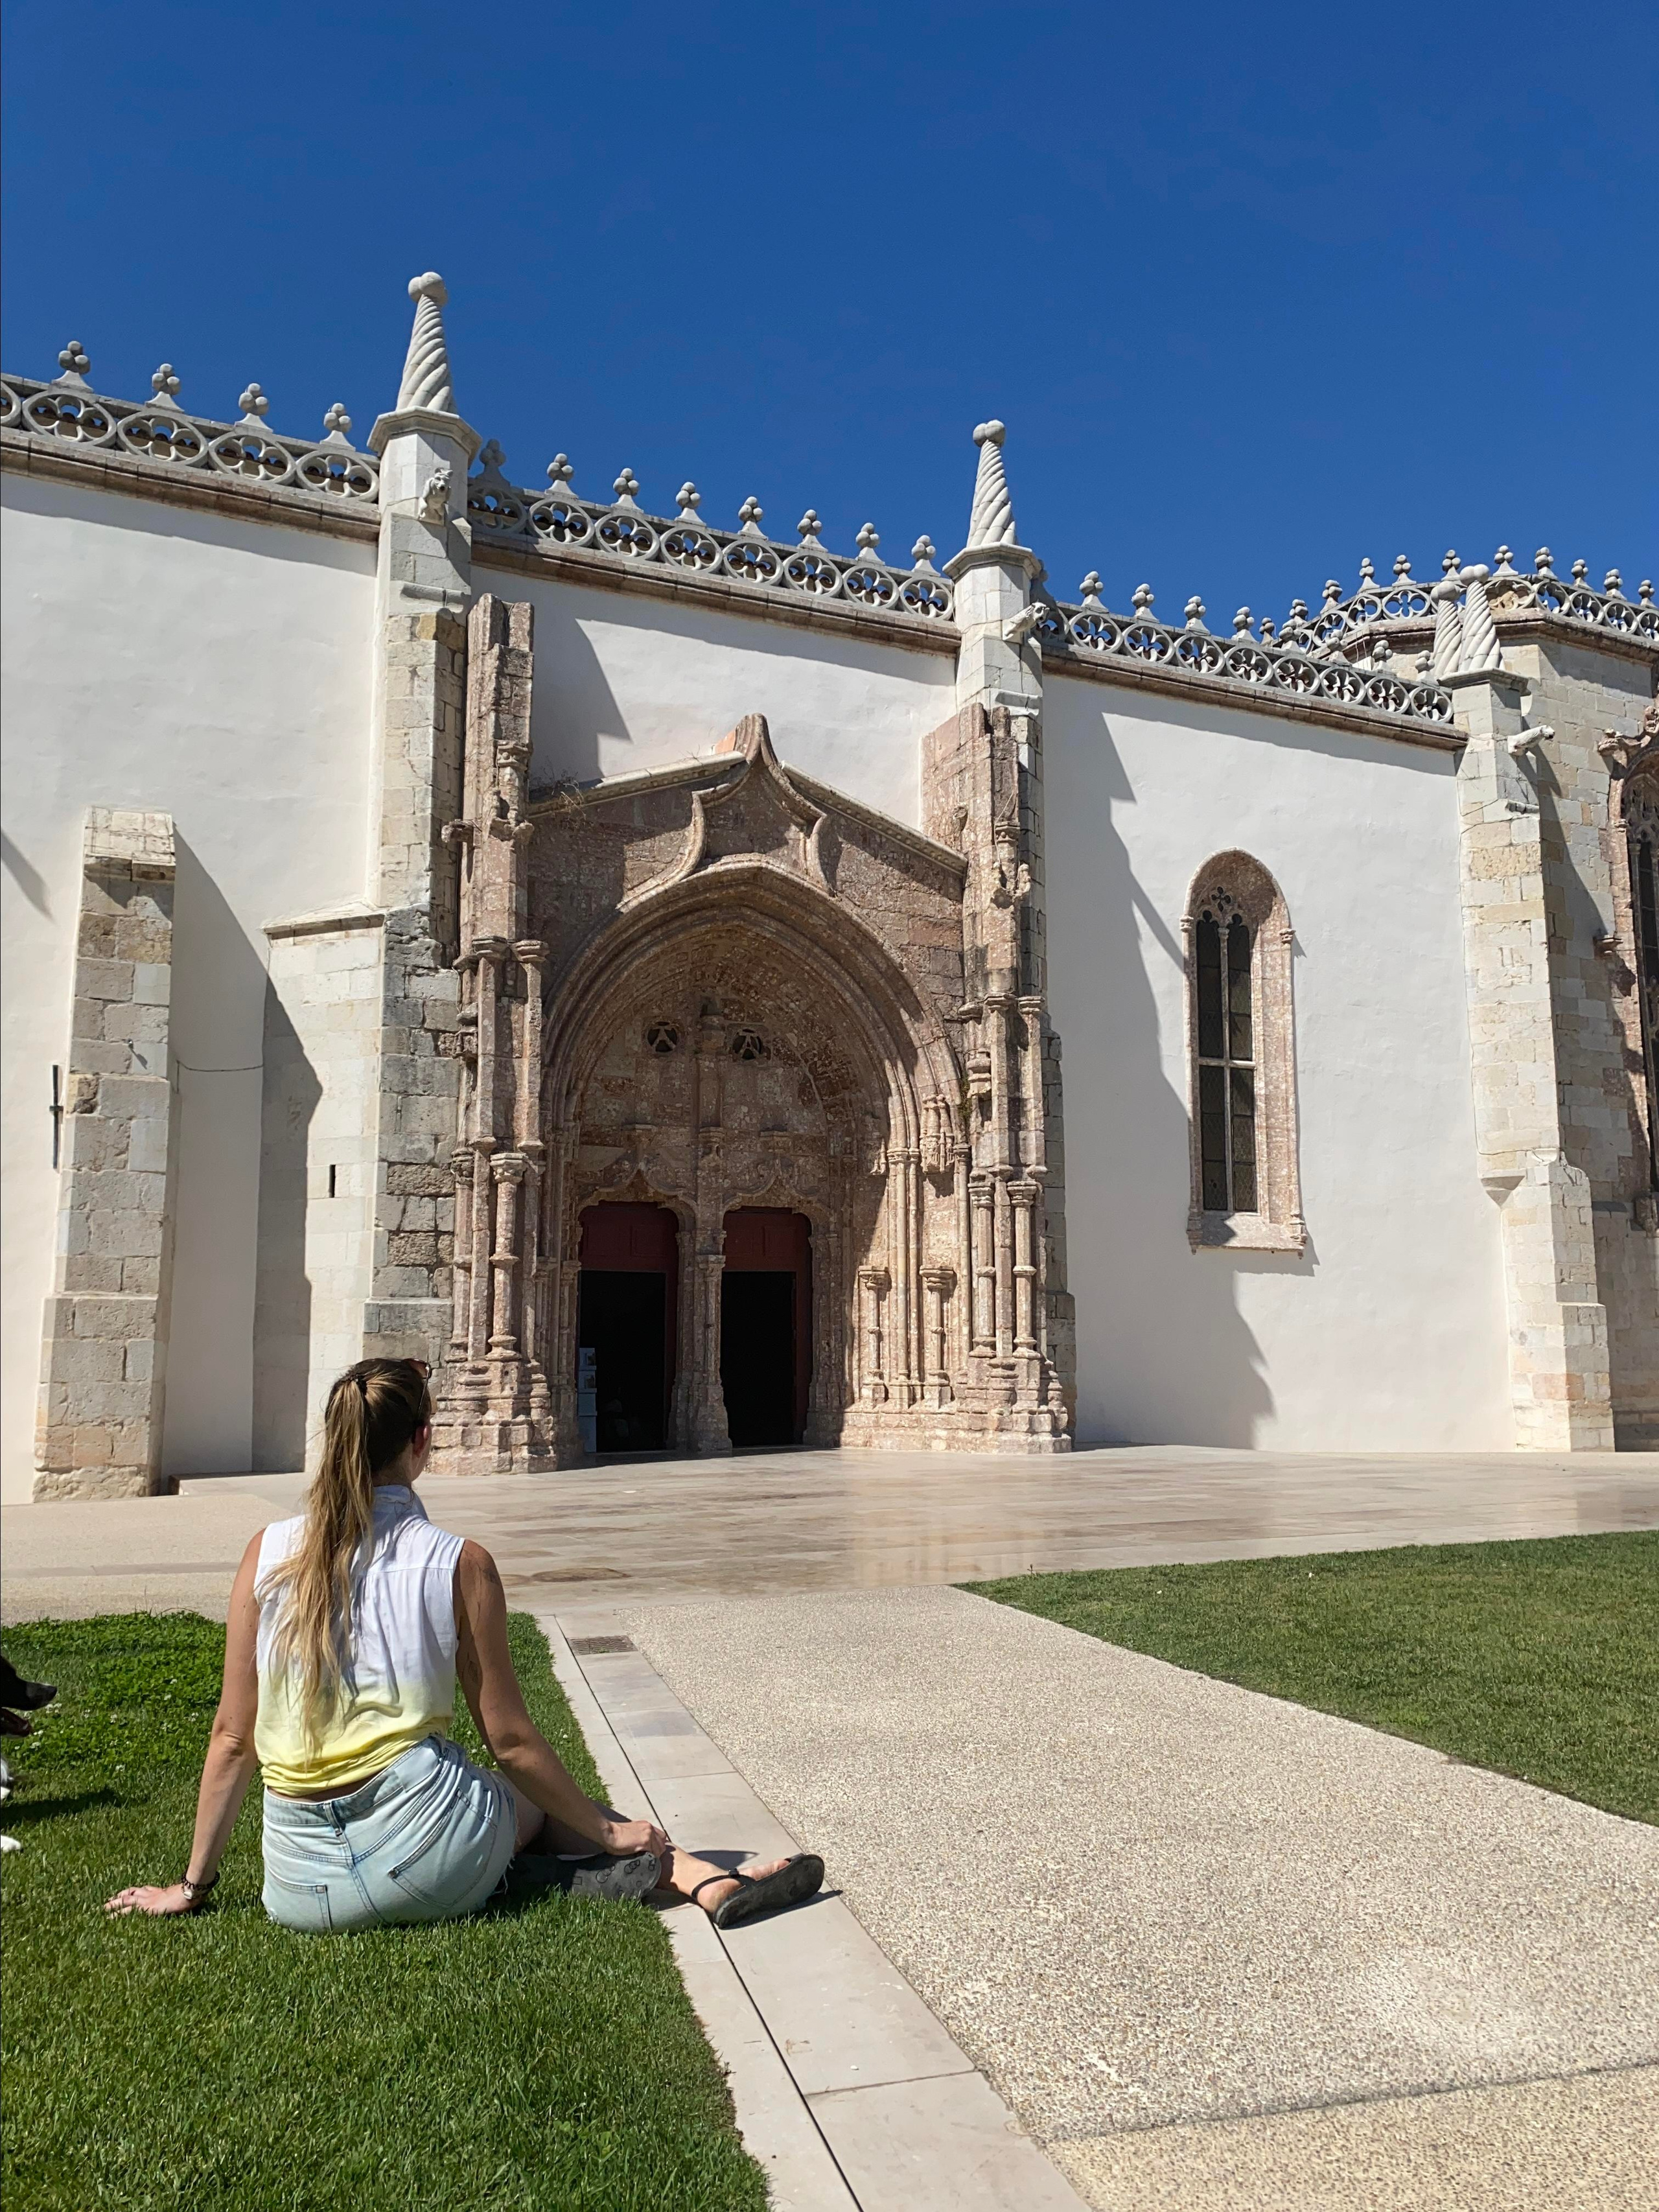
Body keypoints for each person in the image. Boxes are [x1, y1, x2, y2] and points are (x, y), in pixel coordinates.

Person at [106, 1358, 822, 1935]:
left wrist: (190, 1886)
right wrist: (609, 1831)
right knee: (524, 1801)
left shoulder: (267, 1551)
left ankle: (616, 1873)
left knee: (494, 1806)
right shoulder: (458, 1562)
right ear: (423, 1440)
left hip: (299, 1889)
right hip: (432, 1851)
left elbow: (233, 1736)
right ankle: (689, 1873)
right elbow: (510, 1741)